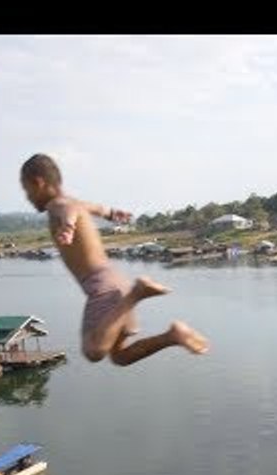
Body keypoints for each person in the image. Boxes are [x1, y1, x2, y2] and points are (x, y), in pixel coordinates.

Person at [19, 153, 209, 365]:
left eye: (27, 191)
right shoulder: (76, 202)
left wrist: (68, 226)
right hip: (116, 281)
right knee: (120, 356)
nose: (27, 198)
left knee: (93, 350)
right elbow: (97, 208)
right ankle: (172, 335)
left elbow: (67, 210)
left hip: (101, 286)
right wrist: (111, 213)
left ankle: (137, 294)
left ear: (39, 183)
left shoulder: (58, 205)